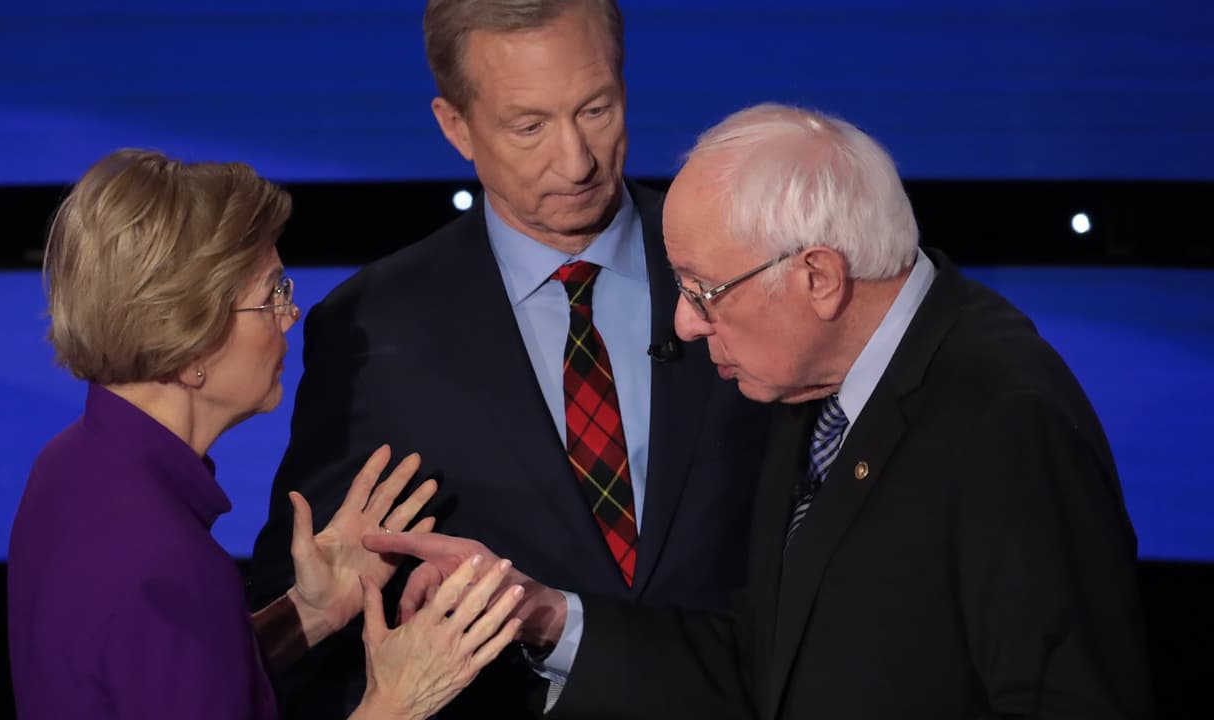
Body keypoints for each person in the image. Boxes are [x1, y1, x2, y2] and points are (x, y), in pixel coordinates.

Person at [366, 104, 1156, 719]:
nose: (682, 323)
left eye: (703, 290)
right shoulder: (814, 390)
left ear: (818, 277)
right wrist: (539, 613)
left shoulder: (1004, 420)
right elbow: (767, 663)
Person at [248, 1, 770, 717]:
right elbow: (316, 609)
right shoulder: (371, 328)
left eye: (596, 109)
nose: (577, 159)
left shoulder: (743, 263)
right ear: (454, 125)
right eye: (529, 126)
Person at [7, 149, 524, 720]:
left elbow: (178, 682)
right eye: (273, 293)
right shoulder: (166, 559)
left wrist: (308, 611)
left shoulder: (68, 464)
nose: (291, 313)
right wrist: (398, 703)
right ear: (192, 338)